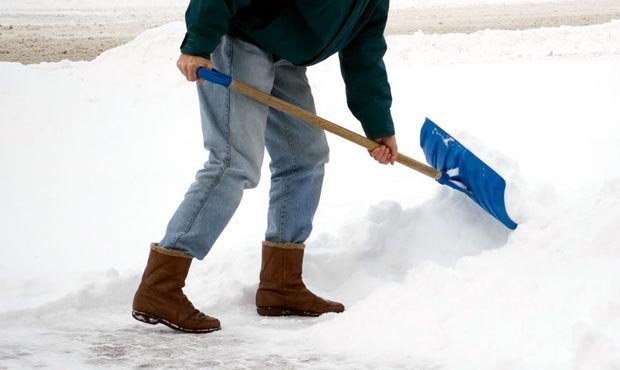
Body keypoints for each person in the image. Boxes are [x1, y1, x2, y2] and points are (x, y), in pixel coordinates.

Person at [132, 0, 398, 333]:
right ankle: (160, 286)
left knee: (305, 156)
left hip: (283, 53)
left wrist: (378, 126)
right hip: (241, 39)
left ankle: (281, 283)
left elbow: (364, 52)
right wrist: (198, 44)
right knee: (233, 162)